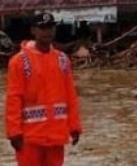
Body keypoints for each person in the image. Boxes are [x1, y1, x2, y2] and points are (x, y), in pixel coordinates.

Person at [5, 13, 82, 166]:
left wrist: (74, 127)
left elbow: (70, 96)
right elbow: (14, 98)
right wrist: (14, 132)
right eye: (43, 28)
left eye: (51, 27)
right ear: (33, 30)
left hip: (56, 135)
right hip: (29, 137)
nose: (48, 32)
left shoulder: (62, 60)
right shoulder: (20, 62)